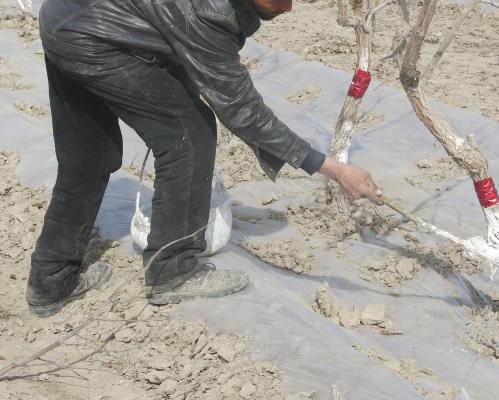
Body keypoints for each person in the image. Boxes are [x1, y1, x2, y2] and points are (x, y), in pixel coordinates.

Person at [26, 0, 384, 317]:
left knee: (86, 157)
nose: (288, 7)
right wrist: (331, 167)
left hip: (64, 16)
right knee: (189, 135)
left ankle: (51, 281)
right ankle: (172, 272)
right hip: (93, 37)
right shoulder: (208, 12)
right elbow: (244, 111)